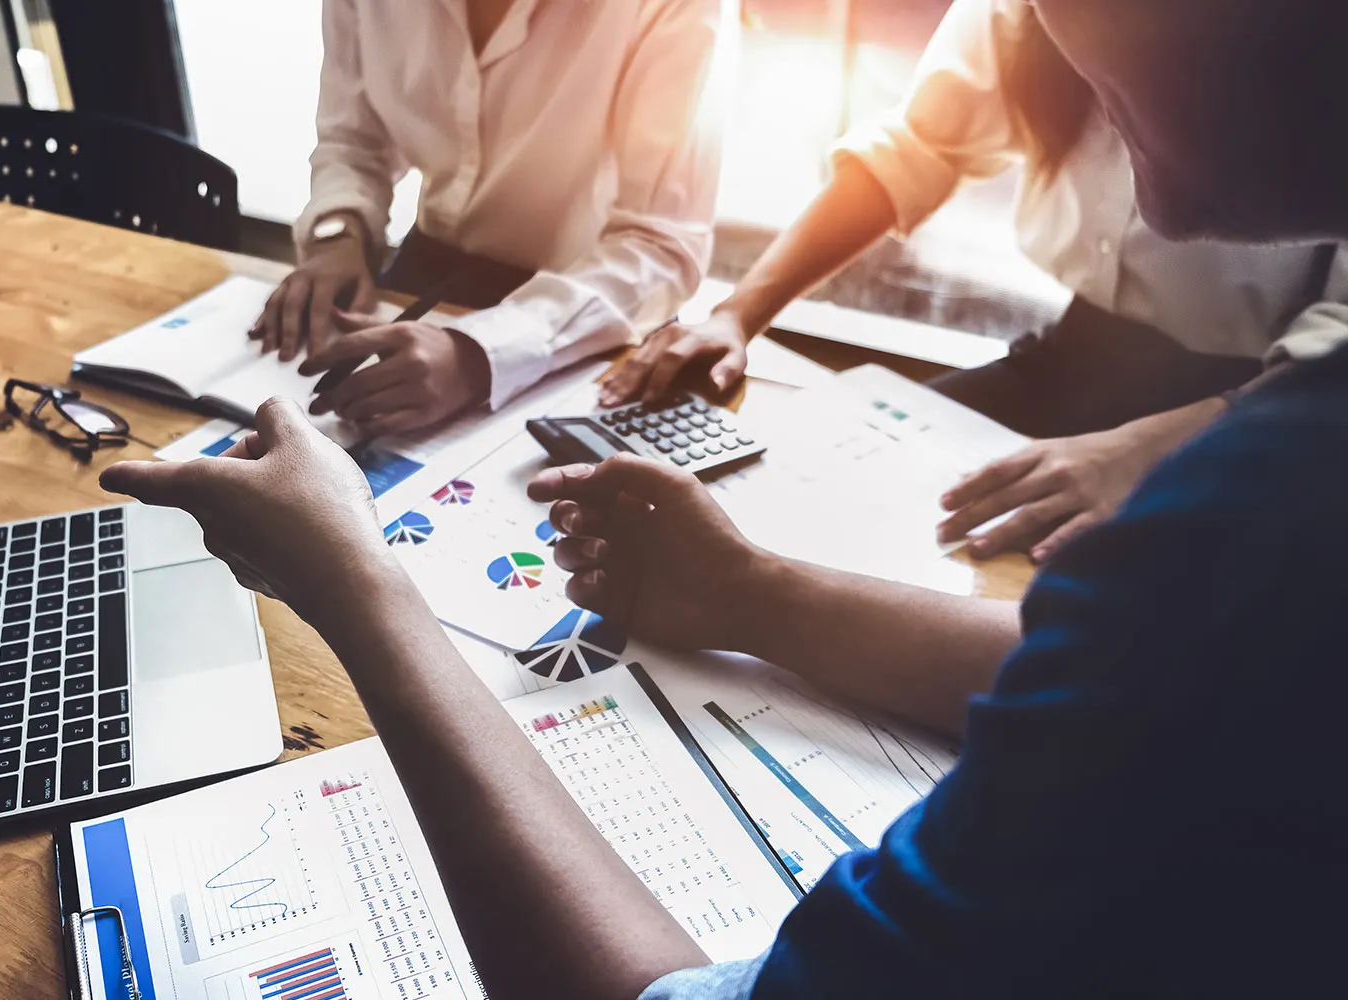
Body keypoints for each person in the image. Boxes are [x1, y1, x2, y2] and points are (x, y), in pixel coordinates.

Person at [100, 0, 1348, 995]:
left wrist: (356, 584)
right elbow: (1104, 676)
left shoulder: (1258, 515)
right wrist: (754, 590)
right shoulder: (1233, 559)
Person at [602, 0, 1348, 562]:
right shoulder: (1029, 16)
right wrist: (739, 312)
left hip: (1266, 403)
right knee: (806, 501)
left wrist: (1153, 448)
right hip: (1067, 360)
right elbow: (918, 146)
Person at [247, 0, 722, 439]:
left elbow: (662, 240)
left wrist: (479, 355)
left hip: (596, 309)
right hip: (424, 278)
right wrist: (339, 234)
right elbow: (353, 141)